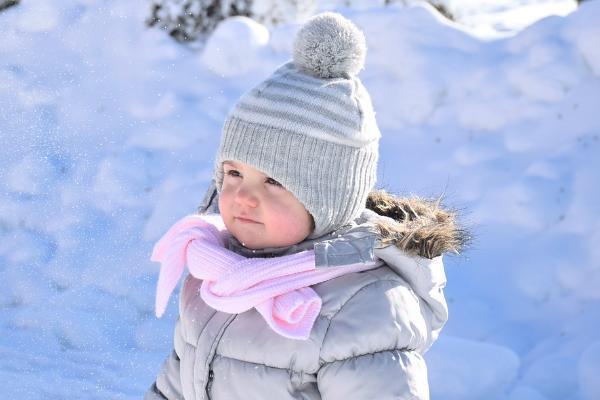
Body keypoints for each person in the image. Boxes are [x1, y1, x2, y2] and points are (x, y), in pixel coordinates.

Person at [145, 12, 466, 400]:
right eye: (233, 173)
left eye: (275, 181)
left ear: (328, 201)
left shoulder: (362, 306)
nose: (243, 196)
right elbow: (178, 384)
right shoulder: (216, 272)